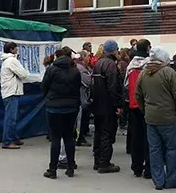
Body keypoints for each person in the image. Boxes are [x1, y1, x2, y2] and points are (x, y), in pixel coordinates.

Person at [135, 47, 176, 190]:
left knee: (154, 149)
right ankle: (171, 179)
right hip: (169, 117)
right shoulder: (168, 72)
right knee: (171, 149)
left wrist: (145, 109)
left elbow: (137, 95)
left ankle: (158, 180)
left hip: (150, 117)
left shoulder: (144, 73)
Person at [41, 51, 82, 179]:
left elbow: (44, 86)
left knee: (56, 138)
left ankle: (52, 169)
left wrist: (49, 98)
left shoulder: (52, 69)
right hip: (71, 107)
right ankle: (70, 167)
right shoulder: (75, 71)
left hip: (54, 107)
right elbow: (78, 87)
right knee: (69, 137)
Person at [91, 40, 123, 173]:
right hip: (107, 104)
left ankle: (97, 161)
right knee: (106, 133)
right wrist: (118, 104)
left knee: (98, 132)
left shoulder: (98, 63)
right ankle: (105, 162)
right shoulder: (110, 65)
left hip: (97, 103)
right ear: (115, 50)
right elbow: (113, 86)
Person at [126, 39, 152, 179]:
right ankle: (149, 168)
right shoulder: (149, 65)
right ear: (148, 48)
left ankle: (136, 167)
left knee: (136, 137)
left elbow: (125, 85)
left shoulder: (130, 65)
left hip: (133, 104)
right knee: (149, 138)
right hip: (147, 104)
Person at [0, 42, 29, 149]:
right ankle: (7, 141)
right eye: (16, 48)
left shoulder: (7, 60)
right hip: (12, 92)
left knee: (13, 117)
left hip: (10, 91)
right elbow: (23, 74)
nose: (17, 50)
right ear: (12, 49)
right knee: (10, 118)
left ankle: (14, 137)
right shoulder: (12, 60)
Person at [75, 51, 93, 147]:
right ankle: (79, 138)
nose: (89, 58)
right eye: (87, 57)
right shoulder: (81, 69)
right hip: (82, 97)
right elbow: (88, 82)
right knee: (80, 120)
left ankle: (80, 136)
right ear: (83, 57)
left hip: (82, 97)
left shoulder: (85, 68)